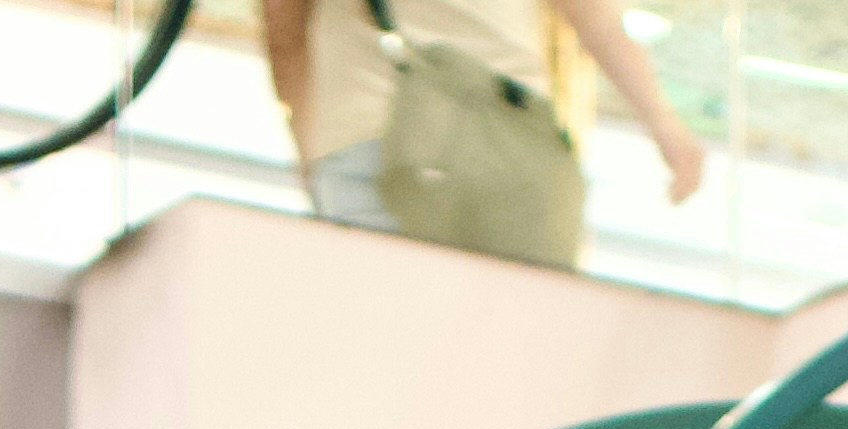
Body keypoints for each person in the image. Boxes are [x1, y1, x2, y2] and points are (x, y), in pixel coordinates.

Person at [260, 0, 703, 260]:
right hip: (516, 147)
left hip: (374, 140)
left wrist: (309, 151)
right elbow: (600, 26)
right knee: (515, 355)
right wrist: (665, 126)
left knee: (377, 346)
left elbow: (285, 35)